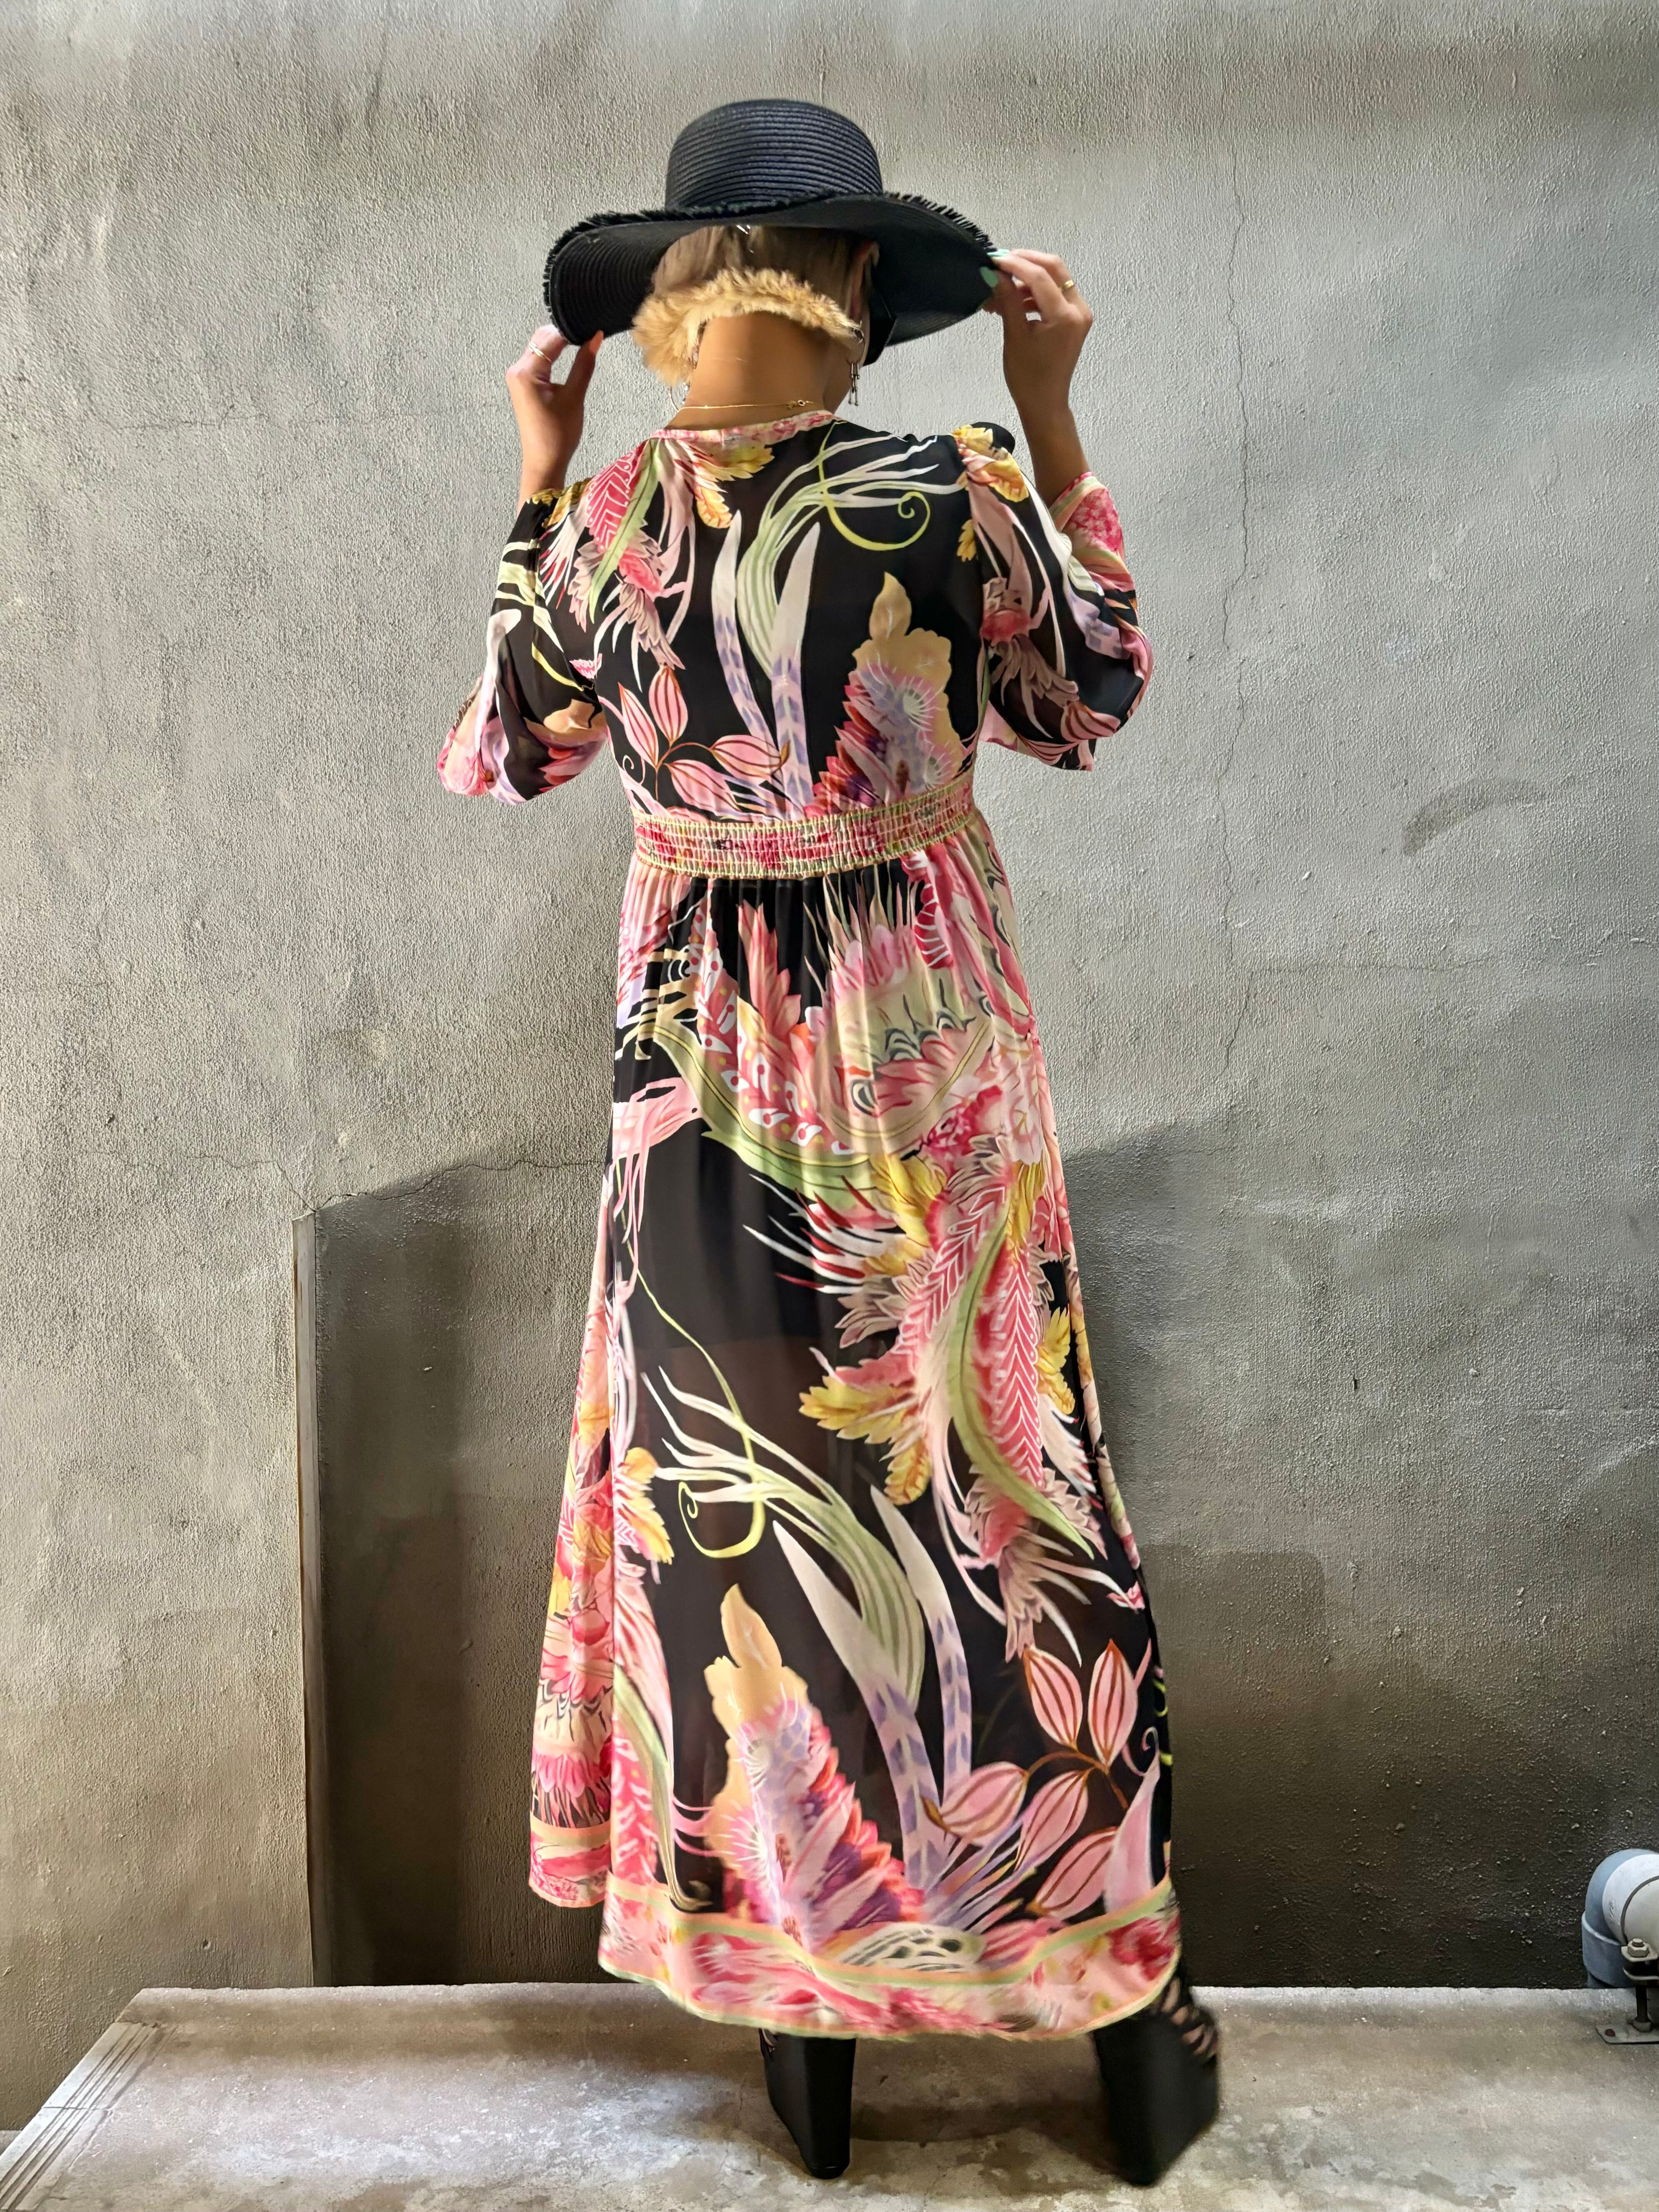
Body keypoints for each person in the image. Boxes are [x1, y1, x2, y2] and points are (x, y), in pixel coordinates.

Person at [438, 97, 1220, 2188]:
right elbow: (1093, 692)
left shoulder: (609, 521)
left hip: (697, 1080)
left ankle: (807, 2029)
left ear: (672, 296)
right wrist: (1054, 418)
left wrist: (535, 480)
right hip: (924, 1059)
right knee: (1000, 1503)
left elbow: (512, 742)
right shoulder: (946, 490)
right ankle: (1123, 2005)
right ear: (861, 283)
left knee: (751, 1526)